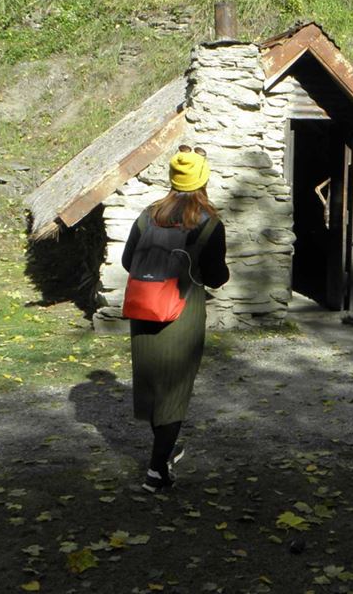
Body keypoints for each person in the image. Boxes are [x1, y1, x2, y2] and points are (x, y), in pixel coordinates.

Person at [122, 145, 229, 493]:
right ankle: (156, 472)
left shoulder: (147, 215)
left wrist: (154, 275)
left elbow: (127, 261)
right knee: (175, 391)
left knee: (154, 386)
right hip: (182, 313)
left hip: (143, 310)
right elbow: (215, 277)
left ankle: (162, 455)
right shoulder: (209, 224)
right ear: (203, 180)